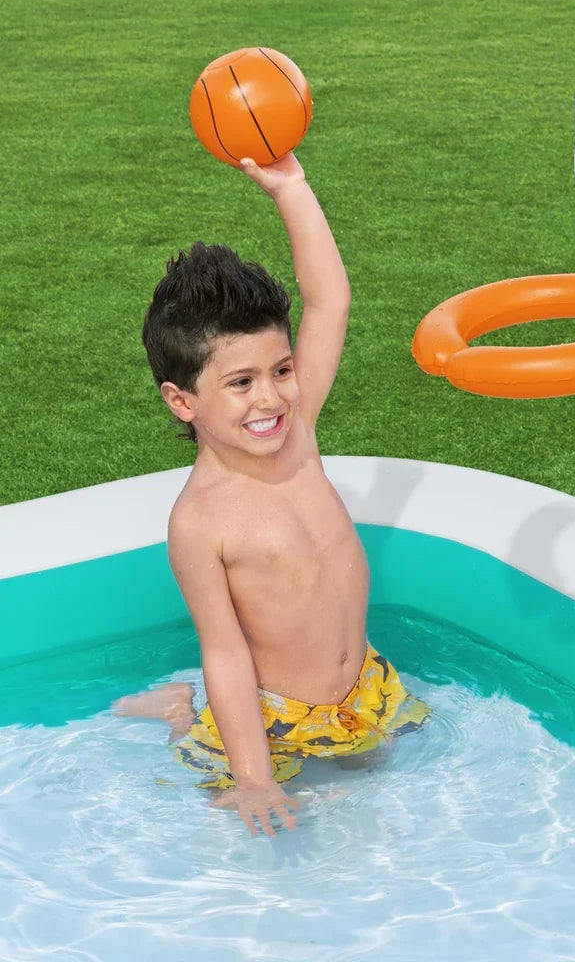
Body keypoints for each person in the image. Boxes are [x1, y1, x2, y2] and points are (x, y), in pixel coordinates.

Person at [111, 153, 429, 837]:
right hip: (274, 720)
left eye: (281, 370)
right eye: (241, 382)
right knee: (220, 792)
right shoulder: (202, 523)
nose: (271, 397)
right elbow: (225, 652)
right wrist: (253, 778)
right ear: (181, 400)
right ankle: (174, 710)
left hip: (365, 688)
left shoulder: (298, 431)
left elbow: (329, 300)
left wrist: (292, 188)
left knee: (377, 787)